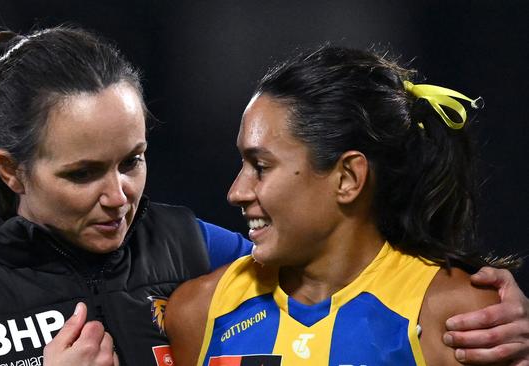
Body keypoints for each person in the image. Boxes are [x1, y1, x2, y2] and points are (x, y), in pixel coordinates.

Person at [0, 27, 526, 366]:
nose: (119, 196)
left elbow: (351, 263)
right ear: (11, 171)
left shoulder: (199, 256)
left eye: (132, 161)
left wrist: (501, 305)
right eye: (83, 174)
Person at [166, 46, 528, 365]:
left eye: (261, 167)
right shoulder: (198, 314)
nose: (236, 192)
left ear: (348, 178)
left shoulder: (461, 319)